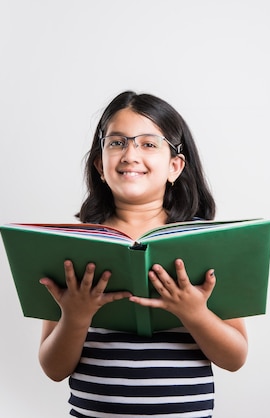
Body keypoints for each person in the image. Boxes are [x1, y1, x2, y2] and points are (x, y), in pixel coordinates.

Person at [38, 91, 248, 417]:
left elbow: (235, 357)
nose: (130, 154)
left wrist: (194, 313)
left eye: (148, 144)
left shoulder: (206, 242)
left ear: (175, 166)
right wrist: (76, 317)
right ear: (99, 163)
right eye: (117, 142)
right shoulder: (73, 245)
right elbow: (53, 368)